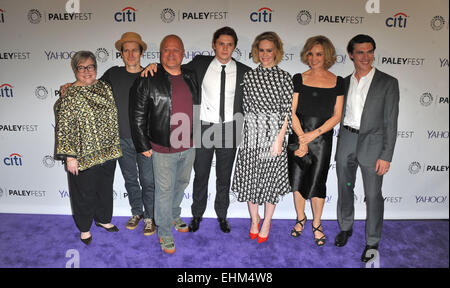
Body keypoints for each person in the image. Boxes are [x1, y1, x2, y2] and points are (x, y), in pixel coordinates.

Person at [141, 27, 251, 233]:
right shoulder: (200, 64)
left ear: (234, 47)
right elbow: (172, 66)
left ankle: (222, 216)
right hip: (204, 128)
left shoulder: (245, 71)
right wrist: (153, 65)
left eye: (229, 44)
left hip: (230, 128)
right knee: (200, 175)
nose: (225, 48)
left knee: (224, 177)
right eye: (221, 43)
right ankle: (197, 215)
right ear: (214, 45)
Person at [60, 32, 156, 236]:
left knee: (148, 180)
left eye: (135, 49)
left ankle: (150, 217)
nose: (130, 54)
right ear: (121, 53)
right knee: (130, 180)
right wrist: (68, 86)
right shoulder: (112, 75)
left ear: (142, 52)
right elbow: (87, 84)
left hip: (144, 140)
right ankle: (137, 213)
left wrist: (157, 65)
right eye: (126, 50)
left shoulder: (151, 74)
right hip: (119, 141)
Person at [130, 35, 199, 254]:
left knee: (182, 183)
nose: (171, 54)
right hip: (161, 147)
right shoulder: (148, 78)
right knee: (164, 190)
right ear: (160, 54)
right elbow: (138, 116)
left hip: (188, 145)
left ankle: (174, 213)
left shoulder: (191, 75)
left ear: (183, 53)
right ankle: (164, 232)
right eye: (166, 50)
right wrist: (143, 145)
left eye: (176, 50)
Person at [334, 34, 399, 262]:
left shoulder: (388, 82)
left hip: (373, 143)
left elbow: (391, 122)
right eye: (360, 52)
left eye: (369, 51)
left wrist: (386, 155)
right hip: (347, 140)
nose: (365, 56)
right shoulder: (342, 82)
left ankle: (372, 240)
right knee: (345, 186)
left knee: (372, 195)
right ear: (351, 54)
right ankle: (346, 227)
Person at [54, 51, 122, 245]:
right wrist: (70, 157)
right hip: (83, 154)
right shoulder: (70, 94)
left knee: (104, 188)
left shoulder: (104, 87)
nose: (87, 71)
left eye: (90, 66)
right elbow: (65, 127)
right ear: (75, 70)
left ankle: (102, 219)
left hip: (108, 151)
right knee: (83, 192)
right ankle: (84, 228)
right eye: (82, 67)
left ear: (96, 68)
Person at [231, 31, 293, 243]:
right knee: (251, 179)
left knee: (270, 182)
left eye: (269, 50)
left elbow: (287, 112)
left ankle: (266, 221)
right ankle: (254, 220)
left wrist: (279, 140)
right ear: (257, 52)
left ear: (276, 52)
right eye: (262, 50)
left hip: (274, 135)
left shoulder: (284, 77)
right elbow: (246, 108)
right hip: (251, 134)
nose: (265, 54)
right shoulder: (249, 76)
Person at [288, 36, 344, 246]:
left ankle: (317, 224)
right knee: (298, 180)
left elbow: (337, 115)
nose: (313, 58)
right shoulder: (298, 78)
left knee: (317, 182)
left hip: (322, 140)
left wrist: (314, 135)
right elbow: (291, 112)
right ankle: (300, 219)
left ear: (327, 55)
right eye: (310, 53)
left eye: (319, 54)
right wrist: (302, 139)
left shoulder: (338, 82)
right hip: (298, 135)